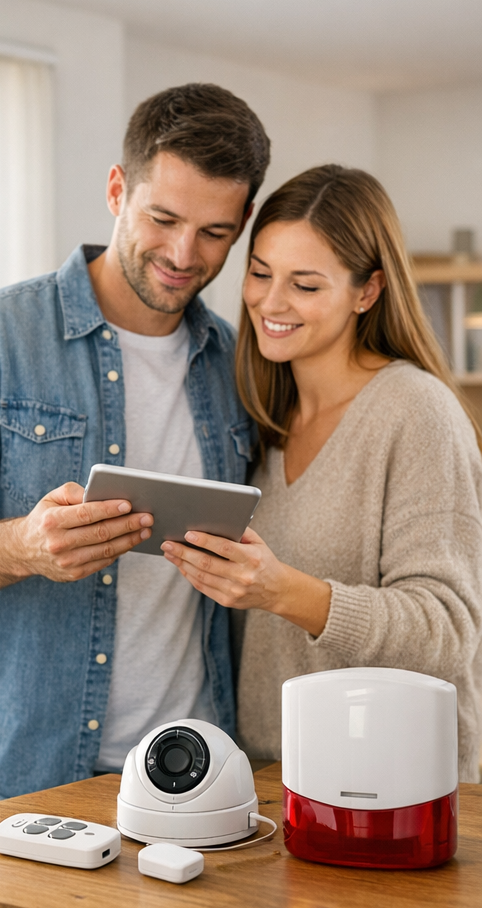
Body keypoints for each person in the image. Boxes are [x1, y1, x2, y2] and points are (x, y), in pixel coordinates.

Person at [0, 84, 271, 814]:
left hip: (192, 774)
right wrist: (21, 546)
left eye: (216, 232)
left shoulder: (235, 363)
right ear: (118, 190)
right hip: (7, 772)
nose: (185, 255)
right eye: (163, 218)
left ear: (243, 220)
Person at [160, 165, 482, 783]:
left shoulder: (416, 413)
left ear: (367, 292)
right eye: (260, 273)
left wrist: (284, 592)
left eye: (304, 285)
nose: (270, 302)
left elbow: (448, 629)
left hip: (391, 789)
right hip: (271, 783)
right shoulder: (258, 414)